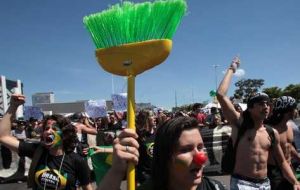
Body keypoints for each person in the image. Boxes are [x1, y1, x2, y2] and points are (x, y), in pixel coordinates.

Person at [217, 56, 300, 190]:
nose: (266, 107)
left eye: (267, 103)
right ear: (250, 108)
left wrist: (294, 181)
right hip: (242, 184)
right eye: (261, 104)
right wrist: (232, 69)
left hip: (265, 184)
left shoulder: (271, 132)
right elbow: (221, 95)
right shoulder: (240, 124)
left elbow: (282, 161)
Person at [97, 116, 226, 190]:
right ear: (166, 157)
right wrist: (116, 171)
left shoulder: (215, 187)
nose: (200, 158)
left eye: (200, 147)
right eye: (185, 149)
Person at [0, 94, 92, 190]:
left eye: (55, 129)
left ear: (65, 134)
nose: (48, 131)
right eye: (46, 128)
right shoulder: (37, 151)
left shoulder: (77, 161)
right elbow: (3, 137)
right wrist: (13, 106)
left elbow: (87, 187)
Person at [266, 96, 300, 189]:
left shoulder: (289, 127)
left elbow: (289, 146)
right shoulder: (270, 129)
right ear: (287, 111)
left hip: (289, 167)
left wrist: (298, 158)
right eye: (294, 108)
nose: (296, 111)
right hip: (275, 172)